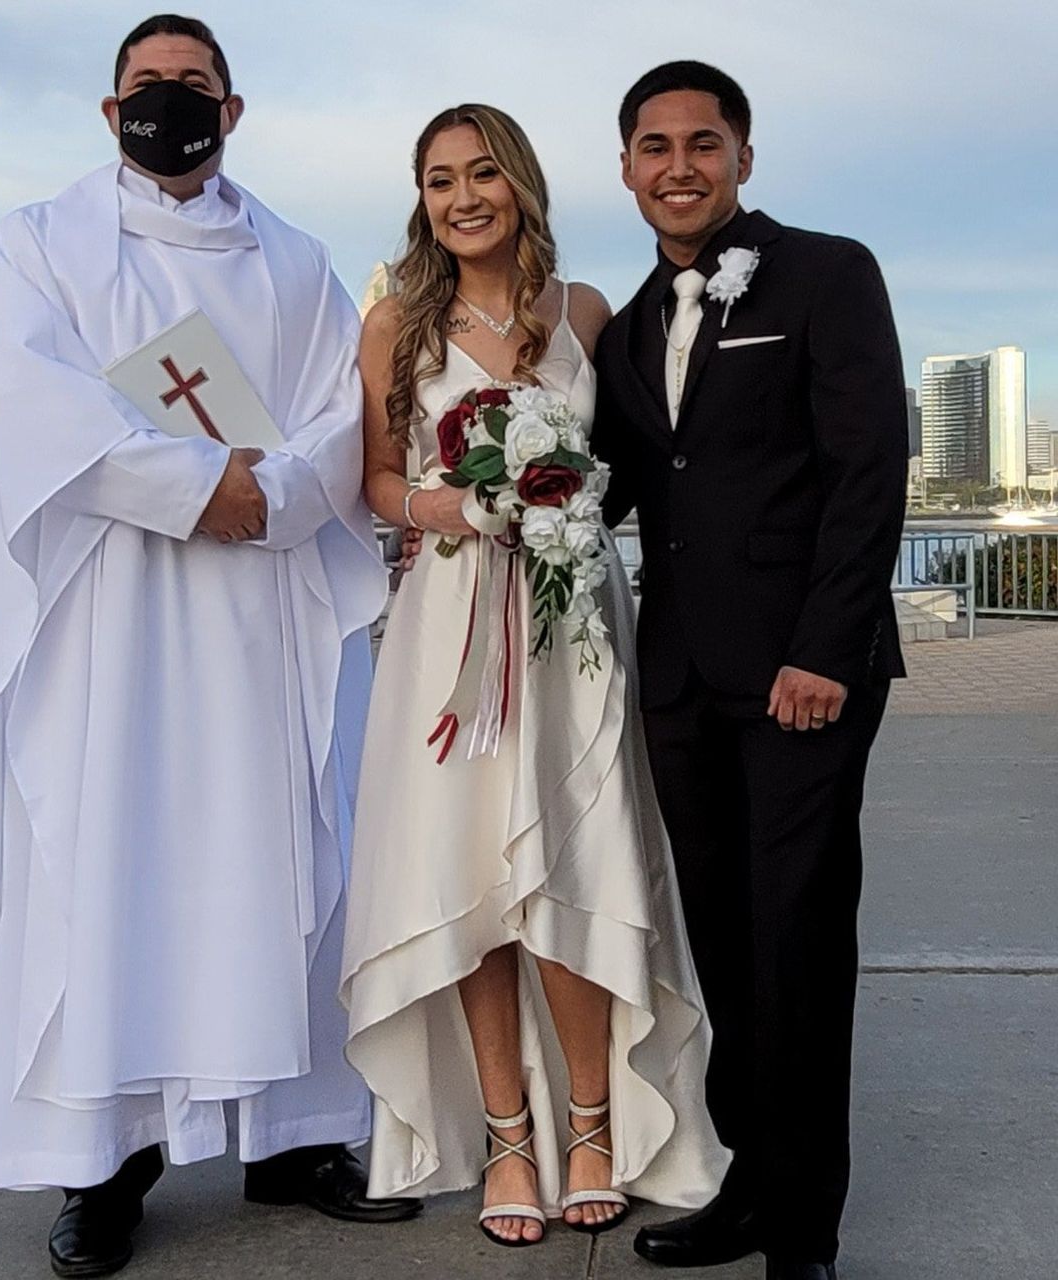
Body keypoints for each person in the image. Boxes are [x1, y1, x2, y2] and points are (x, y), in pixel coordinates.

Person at [0, 15, 418, 1278]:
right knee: (112, 863)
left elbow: (334, 422)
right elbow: (41, 402)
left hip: (258, 618)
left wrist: (282, 496)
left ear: (232, 111)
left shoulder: (295, 260)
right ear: (108, 111)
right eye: (147, 87)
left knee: (280, 852)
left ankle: (295, 1137)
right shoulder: (39, 242)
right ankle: (107, 1166)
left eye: (193, 87)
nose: (169, 104)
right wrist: (203, 487)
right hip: (111, 616)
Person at [339, 103, 729, 1250]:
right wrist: (454, 503)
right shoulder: (393, 324)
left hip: (574, 625)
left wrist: (563, 505)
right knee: (475, 875)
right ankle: (508, 1135)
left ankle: (596, 1122)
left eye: (481, 174)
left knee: (570, 859)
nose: (461, 197)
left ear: (519, 183)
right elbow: (370, 478)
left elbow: (637, 465)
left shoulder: (588, 314)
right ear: (420, 197)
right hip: (449, 624)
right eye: (437, 178)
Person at [590, 61, 908, 1280]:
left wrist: (821, 652)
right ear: (624, 167)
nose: (678, 166)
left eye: (702, 143)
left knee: (798, 944)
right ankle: (749, 1184)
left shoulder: (828, 273)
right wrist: (483, 506)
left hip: (797, 684)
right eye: (654, 146)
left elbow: (865, 472)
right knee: (722, 941)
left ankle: (804, 1235)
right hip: (677, 682)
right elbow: (616, 487)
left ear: (741, 156)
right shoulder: (625, 325)